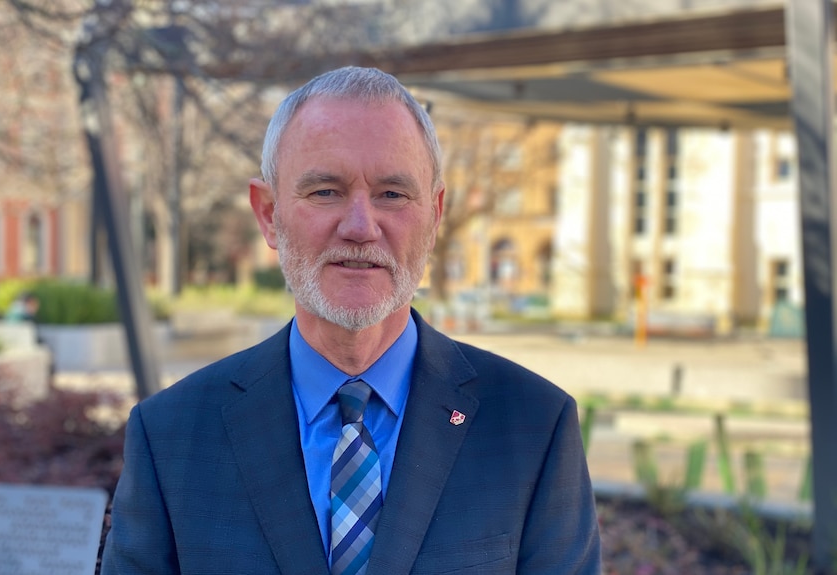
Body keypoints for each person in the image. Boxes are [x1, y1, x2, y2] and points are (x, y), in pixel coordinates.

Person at [101, 66, 601, 574]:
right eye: (325, 192)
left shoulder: (533, 427)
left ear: (434, 215)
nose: (361, 226)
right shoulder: (172, 435)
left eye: (392, 194)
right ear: (269, 214)